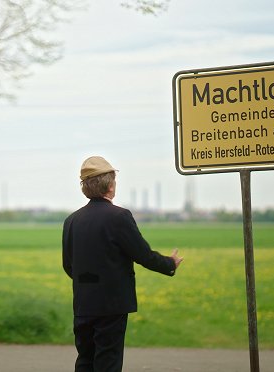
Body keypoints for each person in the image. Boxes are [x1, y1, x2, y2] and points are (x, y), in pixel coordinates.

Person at [62, 156, 183, 372]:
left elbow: (69, 266)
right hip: (112, 304)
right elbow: (143, 255)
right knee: (108, 361)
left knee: (85, 360)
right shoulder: (119, 217)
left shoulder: (72, 220)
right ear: (110, 185)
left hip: (83, 303)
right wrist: (170, 263)